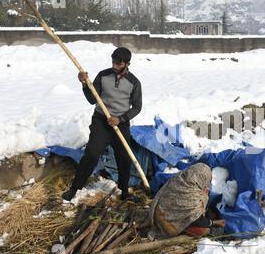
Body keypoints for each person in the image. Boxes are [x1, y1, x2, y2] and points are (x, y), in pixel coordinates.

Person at [62, 47, 142, 201]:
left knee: (124, 157)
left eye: (118, 64)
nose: (114, 66)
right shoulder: (103, 75)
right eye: (113, 62)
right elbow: (93, 99)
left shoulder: (134, 83)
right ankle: (74, 188)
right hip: (101, 121)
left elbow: (137, 107)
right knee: (92, 153)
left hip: (120, 124)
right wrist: (85, 84)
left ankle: (124, 192)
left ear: (127, 64)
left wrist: (121, 119)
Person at [148, 163, 225, 238]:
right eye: (207, 180)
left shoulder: (180, 178)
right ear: (202, 178)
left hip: (158, 212)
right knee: (203, 230)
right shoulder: (192, 196)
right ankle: (182, 232)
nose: (207, 184)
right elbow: (197, 221)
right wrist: (214, 223)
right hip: (168, 225)